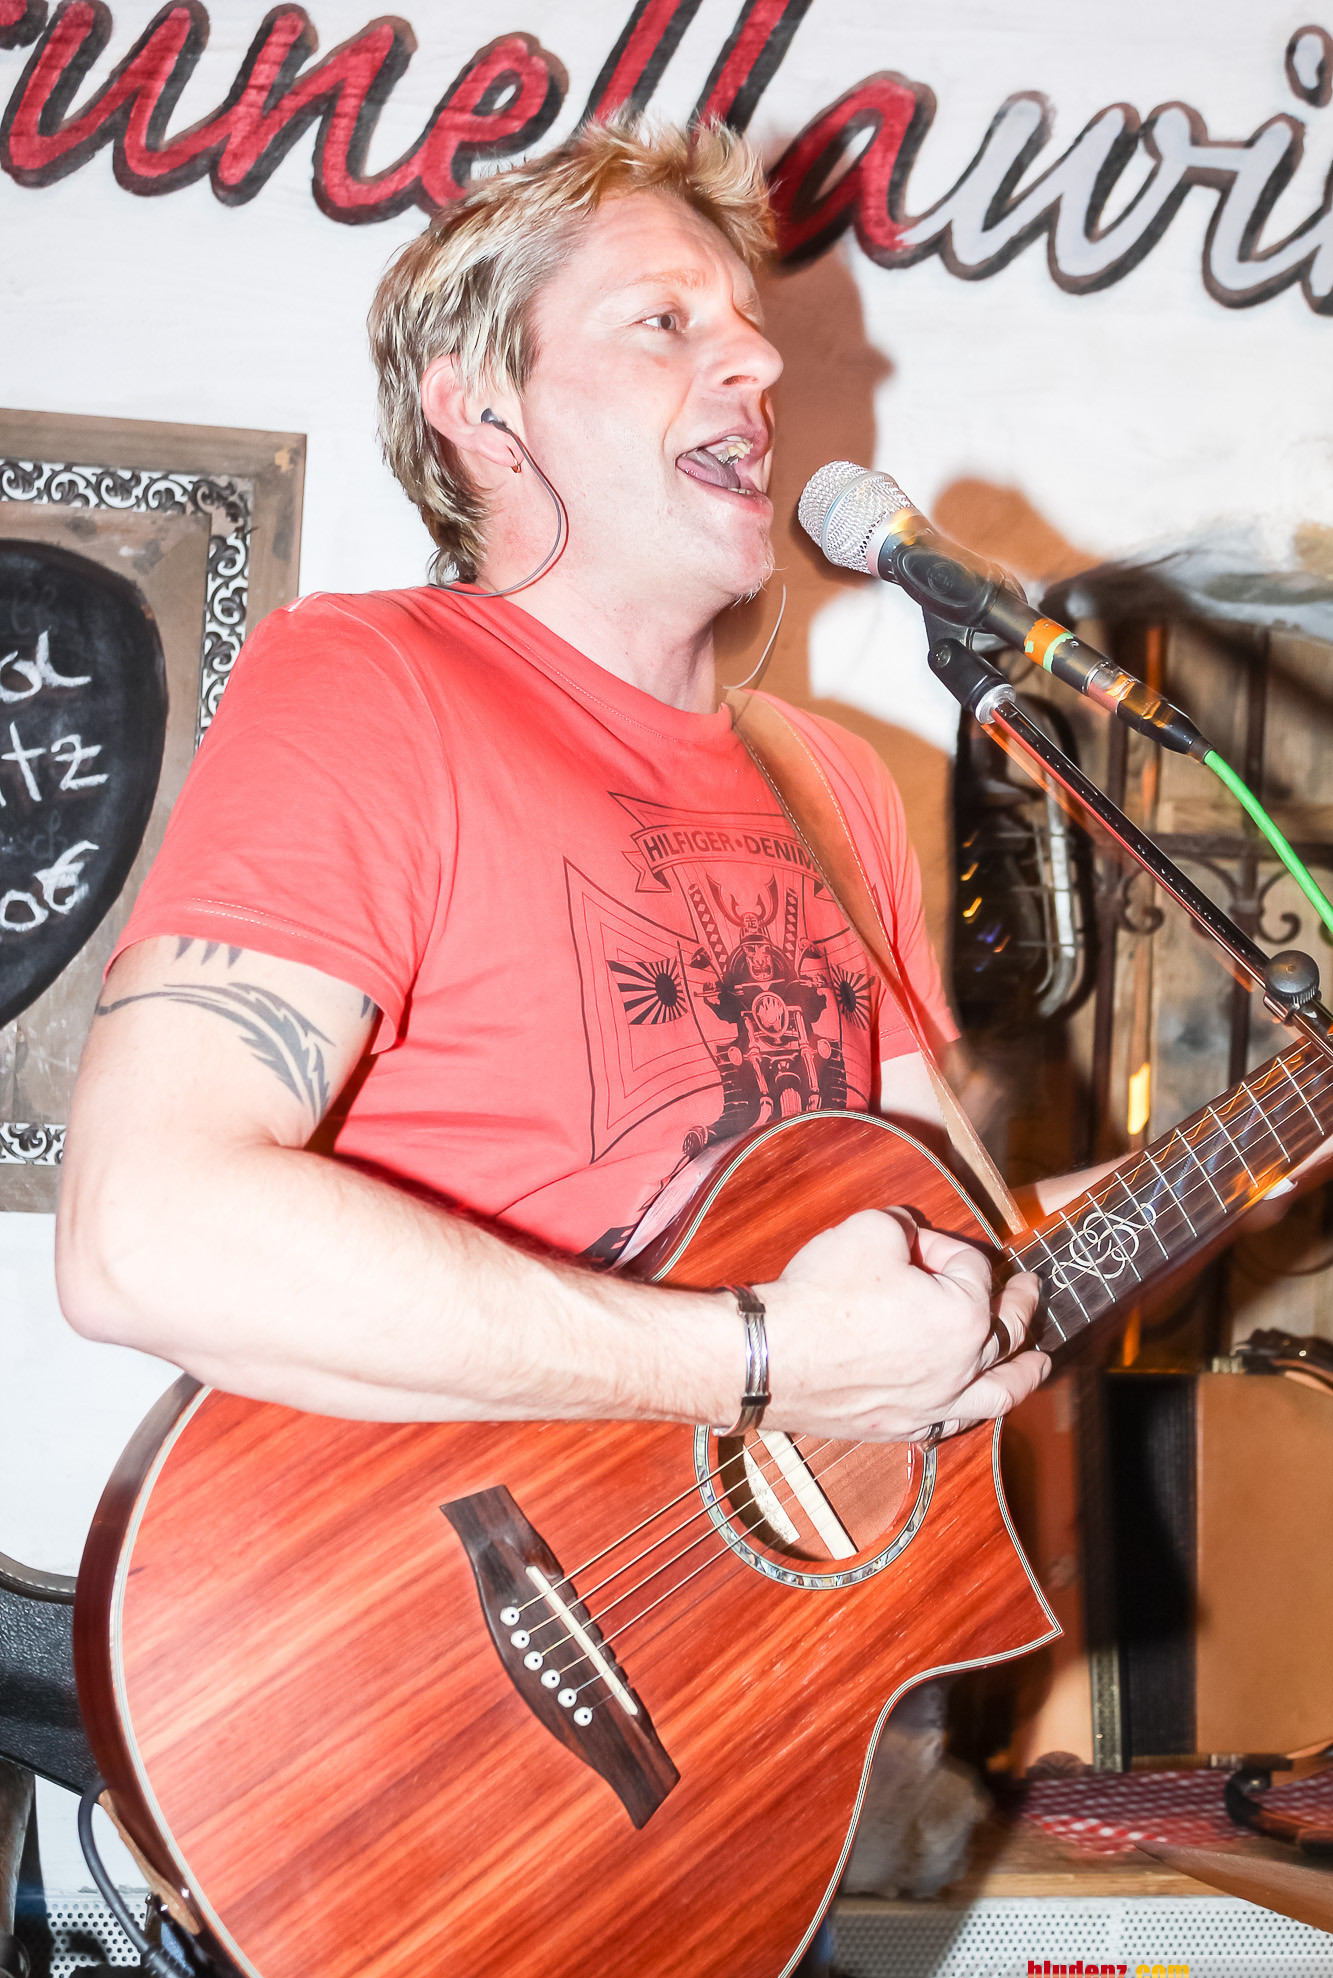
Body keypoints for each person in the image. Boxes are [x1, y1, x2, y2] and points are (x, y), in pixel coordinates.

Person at [55, 120, 1064, 1441]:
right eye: (664, 321)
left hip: (748, 1568)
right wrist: (753, 1361)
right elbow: (142, 1232)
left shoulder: (835, 784)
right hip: (444, 1550)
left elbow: (949, 1239)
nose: (761, 364)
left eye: (750, 327)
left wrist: (1273, 1146)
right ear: (483, 409)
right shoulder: (375, 681)